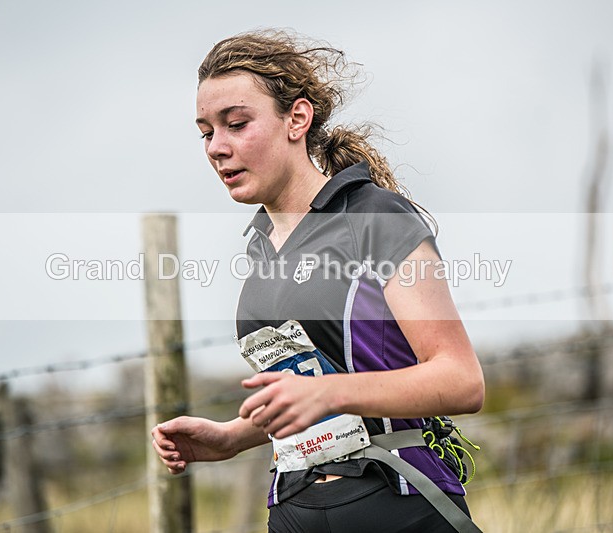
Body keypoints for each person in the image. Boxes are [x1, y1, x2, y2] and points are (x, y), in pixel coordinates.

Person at [151, 30, 485, 533]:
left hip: (396, 500)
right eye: (205, 132)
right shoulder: (259, 246)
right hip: (293, 509)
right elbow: (309, 389)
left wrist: (331, 393)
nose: (218, 147)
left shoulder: (375, 216)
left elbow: (461, 380)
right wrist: (234, 436)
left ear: (297, 119)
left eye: (237, 124)